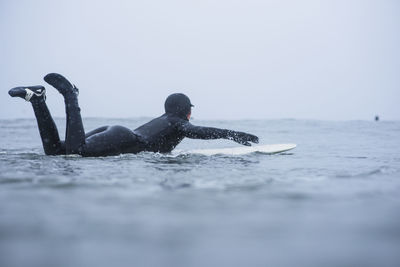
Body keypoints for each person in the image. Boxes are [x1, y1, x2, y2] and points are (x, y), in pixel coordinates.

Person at [8, 73, 259, 157]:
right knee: (76, 153)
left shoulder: (165, 120)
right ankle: (71, 95)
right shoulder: (177, 121)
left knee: (57, 152)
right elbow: (199, 133)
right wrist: (232, 134)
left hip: (116, 133)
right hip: (125, 138)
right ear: (187, 111)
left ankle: (37, 99)